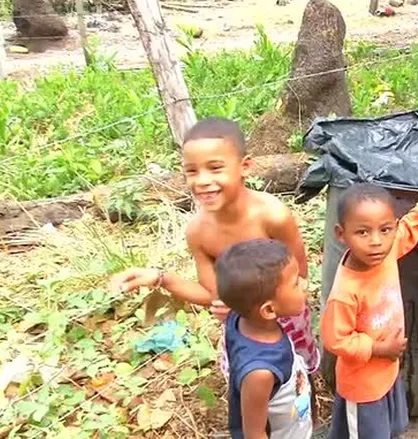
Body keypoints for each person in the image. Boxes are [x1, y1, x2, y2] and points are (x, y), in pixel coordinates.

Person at [109, 117, 320, 377]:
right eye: (191, 171)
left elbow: (300, 278)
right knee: (251, 382)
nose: (202, 181)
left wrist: (260, 305)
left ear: (245, 166)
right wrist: (160, 278)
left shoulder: (273, 216)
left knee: (298, 374)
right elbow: (214, 296)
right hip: (242, 329)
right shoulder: (198, 232)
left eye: (215, 168)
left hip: (286, 319)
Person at [321, 181, 418, 439]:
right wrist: (378, 349)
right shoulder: (346, 293)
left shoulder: (387, 249)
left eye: (385, 229)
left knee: (386, 427)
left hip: (387, 371)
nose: (376, 241)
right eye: (362, 232)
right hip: (362, 384)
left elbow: (408, 227)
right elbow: (336, 339)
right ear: (341, 234)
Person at [216, 239, 312, 439]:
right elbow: (255, 433)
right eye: (296, 283)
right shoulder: (260, 373)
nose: (304, 284)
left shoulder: (240, 317)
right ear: (268, 310)